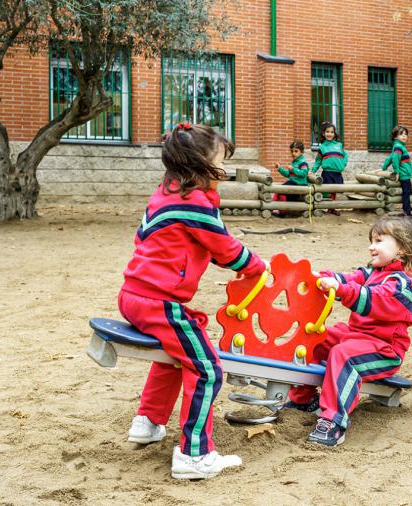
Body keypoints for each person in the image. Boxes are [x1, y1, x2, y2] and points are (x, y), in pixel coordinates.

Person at [119, 122, 268, 479]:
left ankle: (148, 421)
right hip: (159, 301)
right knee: (207, 370)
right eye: (219, 161)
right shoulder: (195, 203)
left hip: (134, 295)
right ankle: (194, 455)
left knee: (181, 349)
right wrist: (259, 268)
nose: (224, 170)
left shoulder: (164, 195)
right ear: (199, 165)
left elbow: (150, 236)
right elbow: (226, 249)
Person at [284, 216, 412, 446]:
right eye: (371, 240)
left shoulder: (402, 284)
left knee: (344, 355)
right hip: (356, 338)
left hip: (384, 350)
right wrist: (322, 277)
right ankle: (303, 399)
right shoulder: (373, 272)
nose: (371, 247)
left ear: (402, 249)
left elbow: (373, 300)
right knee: (318, 338)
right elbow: (349, 279)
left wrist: (342, 290)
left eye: (378, 241)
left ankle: (333, 421)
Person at [312, 121, 347, 215]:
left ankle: (333, 208)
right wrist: (312, 171)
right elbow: (318, 161)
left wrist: (343, 164)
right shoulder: (322, 147)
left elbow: (345, 155)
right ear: (323, 133)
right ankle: (325, 207)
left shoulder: (339, 145)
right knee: (327, 190)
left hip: (337, 173)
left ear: (334, 133)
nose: (329, 134)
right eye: (327, 132)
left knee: (337, 191)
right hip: (327, 172)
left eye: (332, 132)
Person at [382, 125, 412, 216]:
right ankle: (407, 212)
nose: (404, 136)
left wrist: (383, 167)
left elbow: (390, 158)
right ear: (395, 136)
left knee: (409, 191)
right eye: (401, 134)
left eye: (406, 134)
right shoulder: (398, 147)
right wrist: (396, 172)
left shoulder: (398, 146)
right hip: (403, 173)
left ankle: (408, 207)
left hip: (405, 173)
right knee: (407, 192)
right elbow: (395, 160)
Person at [274, 140, 310, 205]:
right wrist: (280, 169)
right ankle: (274, 207)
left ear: (301, 152)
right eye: (292, 151)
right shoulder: (294, 162)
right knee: (279, 190)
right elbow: (288, 174)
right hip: (293, 184)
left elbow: (304, 173)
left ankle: (281, 211)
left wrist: (293, 169)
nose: (293, 153)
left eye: (296, 151)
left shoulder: (303, 163)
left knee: (281, 190)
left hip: (299, 185)